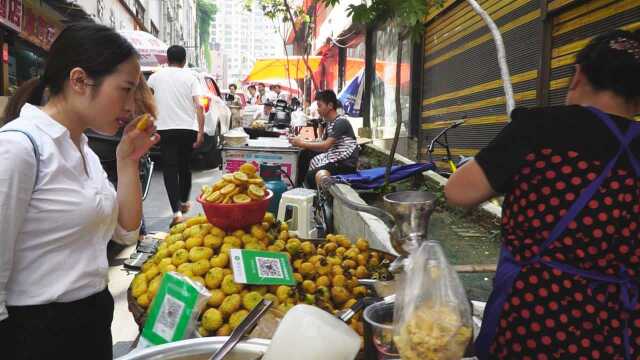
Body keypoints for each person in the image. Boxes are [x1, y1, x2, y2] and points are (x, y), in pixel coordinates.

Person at [444, 29, 640, 360]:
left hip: (533, 320)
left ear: (577, 76)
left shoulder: (541, 127)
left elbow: (458, 192)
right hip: (619, 329)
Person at [0, 23, 159, 359]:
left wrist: (127, 160)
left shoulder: (82, 149)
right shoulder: (19, 148)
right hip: (35, 333)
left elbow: (126, 231)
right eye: (125, 90)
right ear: (78, 81)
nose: (132, 107)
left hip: (91, 319)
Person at [147, 45, 206, 226]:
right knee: (184, 166)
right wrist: (201, 133)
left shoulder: (155, 77)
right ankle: (184, 200)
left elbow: (146, 101)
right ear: (184, 60)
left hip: (164, 130)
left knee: (170, 169)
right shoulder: (191, 77)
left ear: (167, 59)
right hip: (187, 130)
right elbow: (200, 106)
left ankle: (176, 212)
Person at [290, 90, 359, 188]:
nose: (317, 109)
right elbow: (322, 143)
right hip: (334, 158)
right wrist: (299, 141)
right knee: (305, 154)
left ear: (330, 105)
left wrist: (301, 143)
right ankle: (300, 186)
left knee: (311, 176)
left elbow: (325, 146)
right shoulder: (330, 123)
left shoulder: (341, 122)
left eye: (319, 106)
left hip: (344, 164)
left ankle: (310, 191)